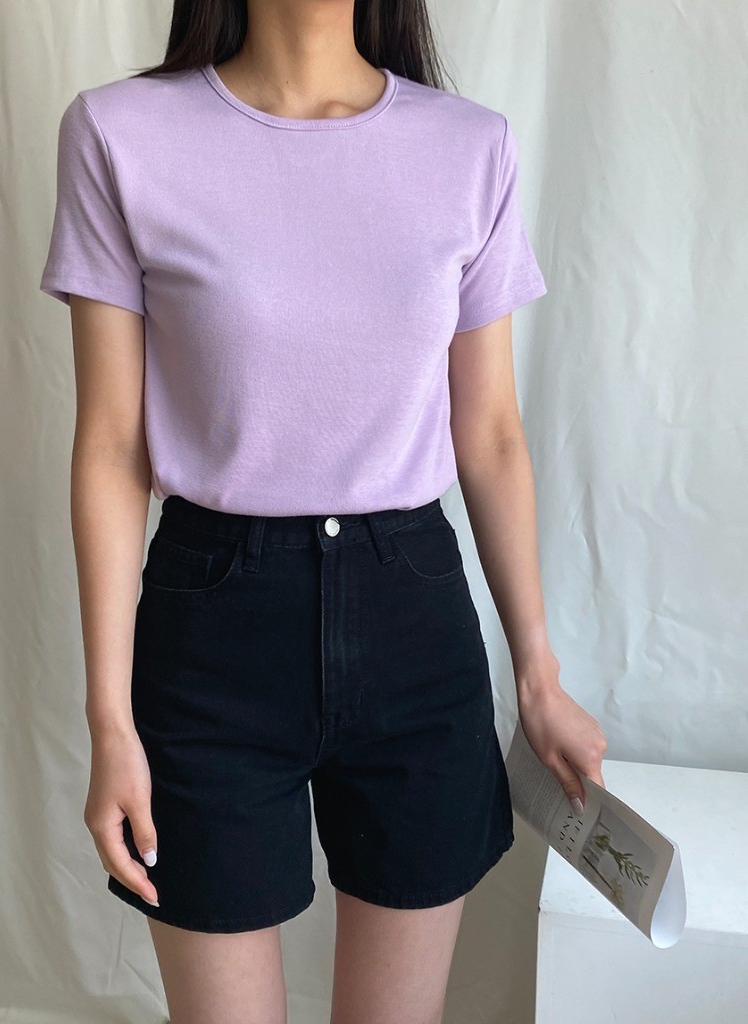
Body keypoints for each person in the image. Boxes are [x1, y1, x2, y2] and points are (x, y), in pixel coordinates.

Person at [39, 1, 608, 1021]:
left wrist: (537, 674)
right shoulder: (120, 135)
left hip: (412, 622)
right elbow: (113, 446)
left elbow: (489, 435)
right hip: (209, 635)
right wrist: (109, 719)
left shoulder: (468, 146)